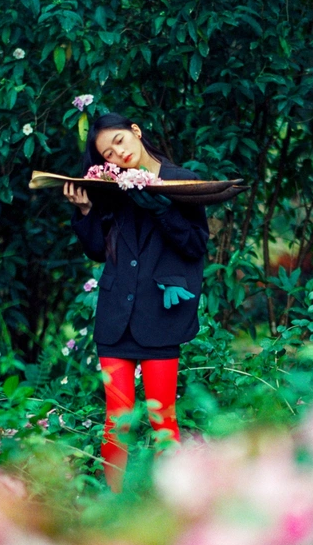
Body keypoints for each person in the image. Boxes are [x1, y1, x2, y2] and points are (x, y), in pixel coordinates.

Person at [64, 113, 209, 491]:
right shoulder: (113, 186)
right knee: (117, 420)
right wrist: (86, 212)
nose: (118, 154)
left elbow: (195, 245)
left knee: (164, 420)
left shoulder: (182, 180)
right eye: (108, 154)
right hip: (115, 318)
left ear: (136, 132)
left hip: (159, 318)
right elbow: (99, 251)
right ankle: (114, 505)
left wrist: (163, 210)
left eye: (119, 141)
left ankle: (170, 504)